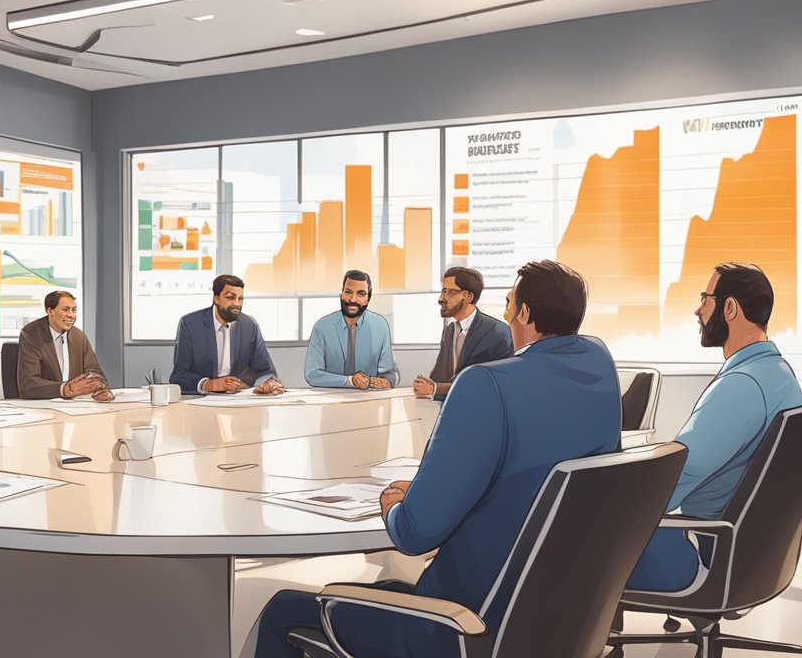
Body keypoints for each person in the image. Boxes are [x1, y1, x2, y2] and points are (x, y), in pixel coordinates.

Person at [257, 260, 621, 658]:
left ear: (525, 312)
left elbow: (414, 534)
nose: (505, 313)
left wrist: (394, 504)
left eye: (508, 303)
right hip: (554, 613)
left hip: (460, 623)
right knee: (388, 588)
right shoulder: (598, 362)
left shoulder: (486, 383)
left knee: (281, 608)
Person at [626, 263, 802, 593]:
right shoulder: (778, 374)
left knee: (584, 535)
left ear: (730, 308)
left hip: (709, 551)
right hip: (753, 551)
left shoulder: (742, 386)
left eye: (706, 299)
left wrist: (614, 508)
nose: (698, 309)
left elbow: (677, 474)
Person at [172, 274, 284, 395]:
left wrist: (270, 382)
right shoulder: (190, 324)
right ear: (216, 298)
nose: (237, 304)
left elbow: (264, 370)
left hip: (237, 399)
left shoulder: (249, 325)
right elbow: (179, 375)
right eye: (231, 297)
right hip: (201, 399)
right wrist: (209, 384)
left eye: (240, 298)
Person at [412, 267, 512, 400]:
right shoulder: (450, 331)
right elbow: (440, 376)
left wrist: (434, 388)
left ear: (468, 296)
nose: (441, 298)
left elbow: (479, 381)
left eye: (450, 292)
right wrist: (427, 383)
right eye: (443, 291)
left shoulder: (496, 332)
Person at [305, 270, 398, 389]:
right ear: (341, 293)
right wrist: (349, 381)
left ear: (368, 298)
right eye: (348, 292)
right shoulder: (322, 327)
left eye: (360, 294)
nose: (353, 299)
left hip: (368, 400)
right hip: (331, 399)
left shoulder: (380, 326)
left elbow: (390, 373)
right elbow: (312, 374)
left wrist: (387, 382)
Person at [17, 290, 113, 400]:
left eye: (74, 310)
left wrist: (100, 387)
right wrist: (65, 389)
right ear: (50, 310)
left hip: (75, 405)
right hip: (44, 404)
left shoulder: (78, 336)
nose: (71, 315)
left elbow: (95, 372)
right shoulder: (31, 333)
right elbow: (28, 384)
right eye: (65, 309)